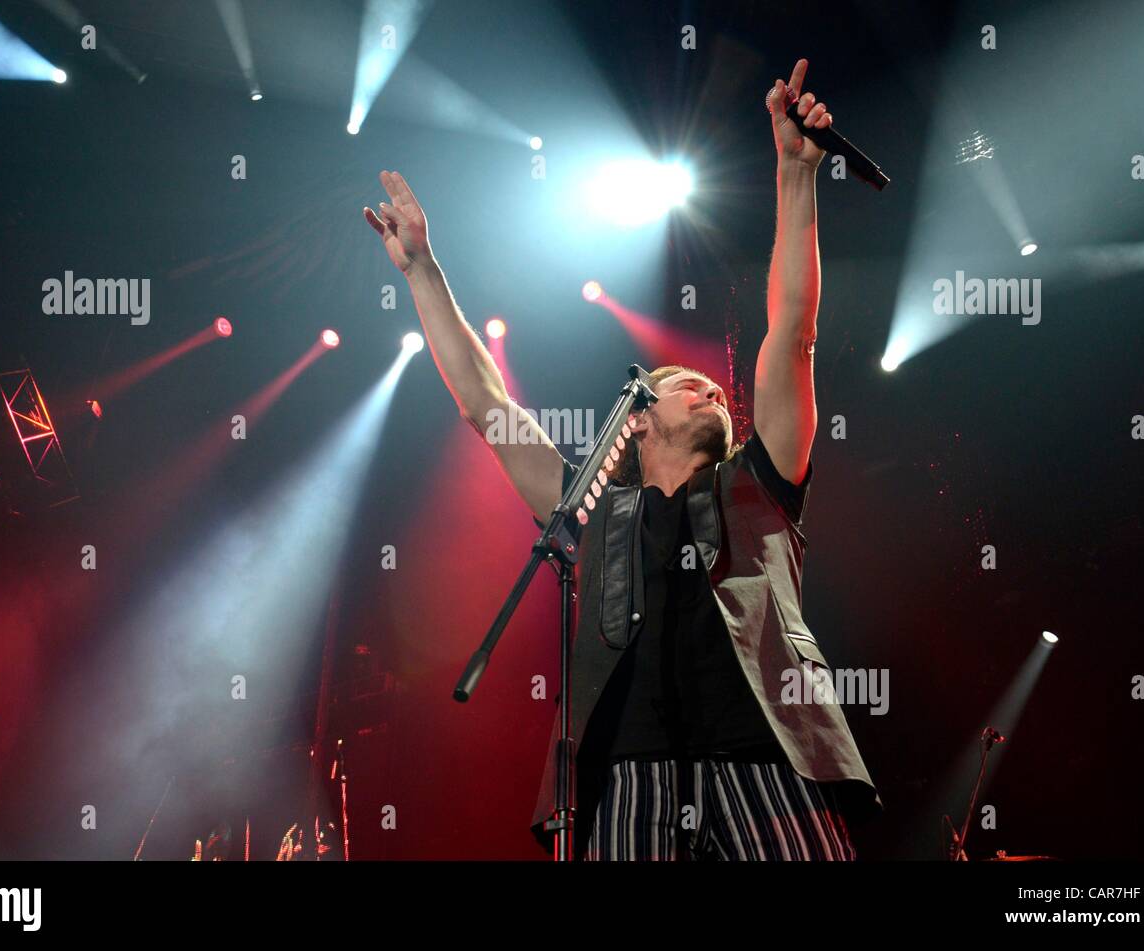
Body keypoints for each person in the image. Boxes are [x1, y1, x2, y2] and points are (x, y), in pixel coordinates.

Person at [363, 58, 880, 861]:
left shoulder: (761, 480)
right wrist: (424, 271)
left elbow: (794, 326)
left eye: (716, 387)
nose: (711, 388)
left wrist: (794, 175)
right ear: (636, 422)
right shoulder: (592, 503)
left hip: (770, 763)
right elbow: (486, 408)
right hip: (626, 777)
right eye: (685, 385)